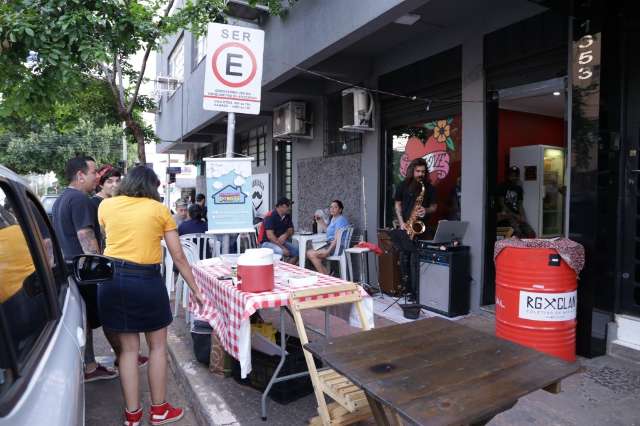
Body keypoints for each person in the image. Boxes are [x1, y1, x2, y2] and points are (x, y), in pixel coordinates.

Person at [97, 165, 205, 425]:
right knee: (157, 347)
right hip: (145, 280)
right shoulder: (159, 210)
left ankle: (132, 415)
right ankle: (159, 411)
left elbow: (108, 237)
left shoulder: (106, 206)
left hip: (111, 280)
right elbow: (178, 256)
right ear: (151, 187)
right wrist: (196, 290)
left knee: (128, 350)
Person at [51, 155, 119, 383]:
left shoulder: (61, 199)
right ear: (80, 175)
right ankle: (94, 365)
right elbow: (85, 236)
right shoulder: (80, 200)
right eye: (93, 173)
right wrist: (100, 267)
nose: (96, 177)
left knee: (85, 321)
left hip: (71, 269)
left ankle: (89, 365)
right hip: (84, 271)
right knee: (93, 319)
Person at [392, 157, 438, 300]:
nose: (420, 174)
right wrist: (401, 223)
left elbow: (434, 206)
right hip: (406, 227)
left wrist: (426, 210)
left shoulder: (429, 188)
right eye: (418, 171)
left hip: (421, 230)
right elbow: (397, 205)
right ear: (412, 171)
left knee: (416, 263)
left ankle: (417, 292)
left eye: (423, 171)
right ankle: (408, 289)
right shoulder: (403, 185)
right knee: (404, 260)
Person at [306, 200, 350, 275]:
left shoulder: (340, 220)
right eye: (331, 207)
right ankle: (327, 274)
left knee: (310, 254)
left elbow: (337, 238)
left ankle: (326, 275)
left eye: (335, 207)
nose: (332, 209)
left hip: (337, 247)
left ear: (340, 210)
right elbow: (328, 231)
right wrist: (320, 222)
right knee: (311, 254)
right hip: (332, 245)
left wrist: (328, 251)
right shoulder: (334, 219)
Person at [497, 166, 535, 238]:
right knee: (518, 233)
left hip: (516, 215)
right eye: (512, 175)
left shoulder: (519, 188)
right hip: (506, 215)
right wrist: (516, 216)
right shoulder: (502, 186)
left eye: (515, 175)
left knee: (531, 233)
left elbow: (520, 205)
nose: (513, 177)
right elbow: (502, 204)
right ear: (508, 176)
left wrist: (523, 217)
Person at [91, 164, 122, 250]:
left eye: (118, 181)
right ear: (101, 184)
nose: (115, 185)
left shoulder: (120, 201)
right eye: (109, 182)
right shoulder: (94, 203)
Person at [260, 197, 299, 263]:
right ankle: (278, 270)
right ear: (280, 206)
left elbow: (291, 230)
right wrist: (282, 248)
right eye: (287, 206)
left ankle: (286, 270)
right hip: (266, 243)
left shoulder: (287, 216)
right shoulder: (270, 216)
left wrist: (285, 235)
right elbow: (270, 236)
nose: (290, 208)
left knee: (297, 251)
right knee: (280, 251)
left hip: (279, 241)